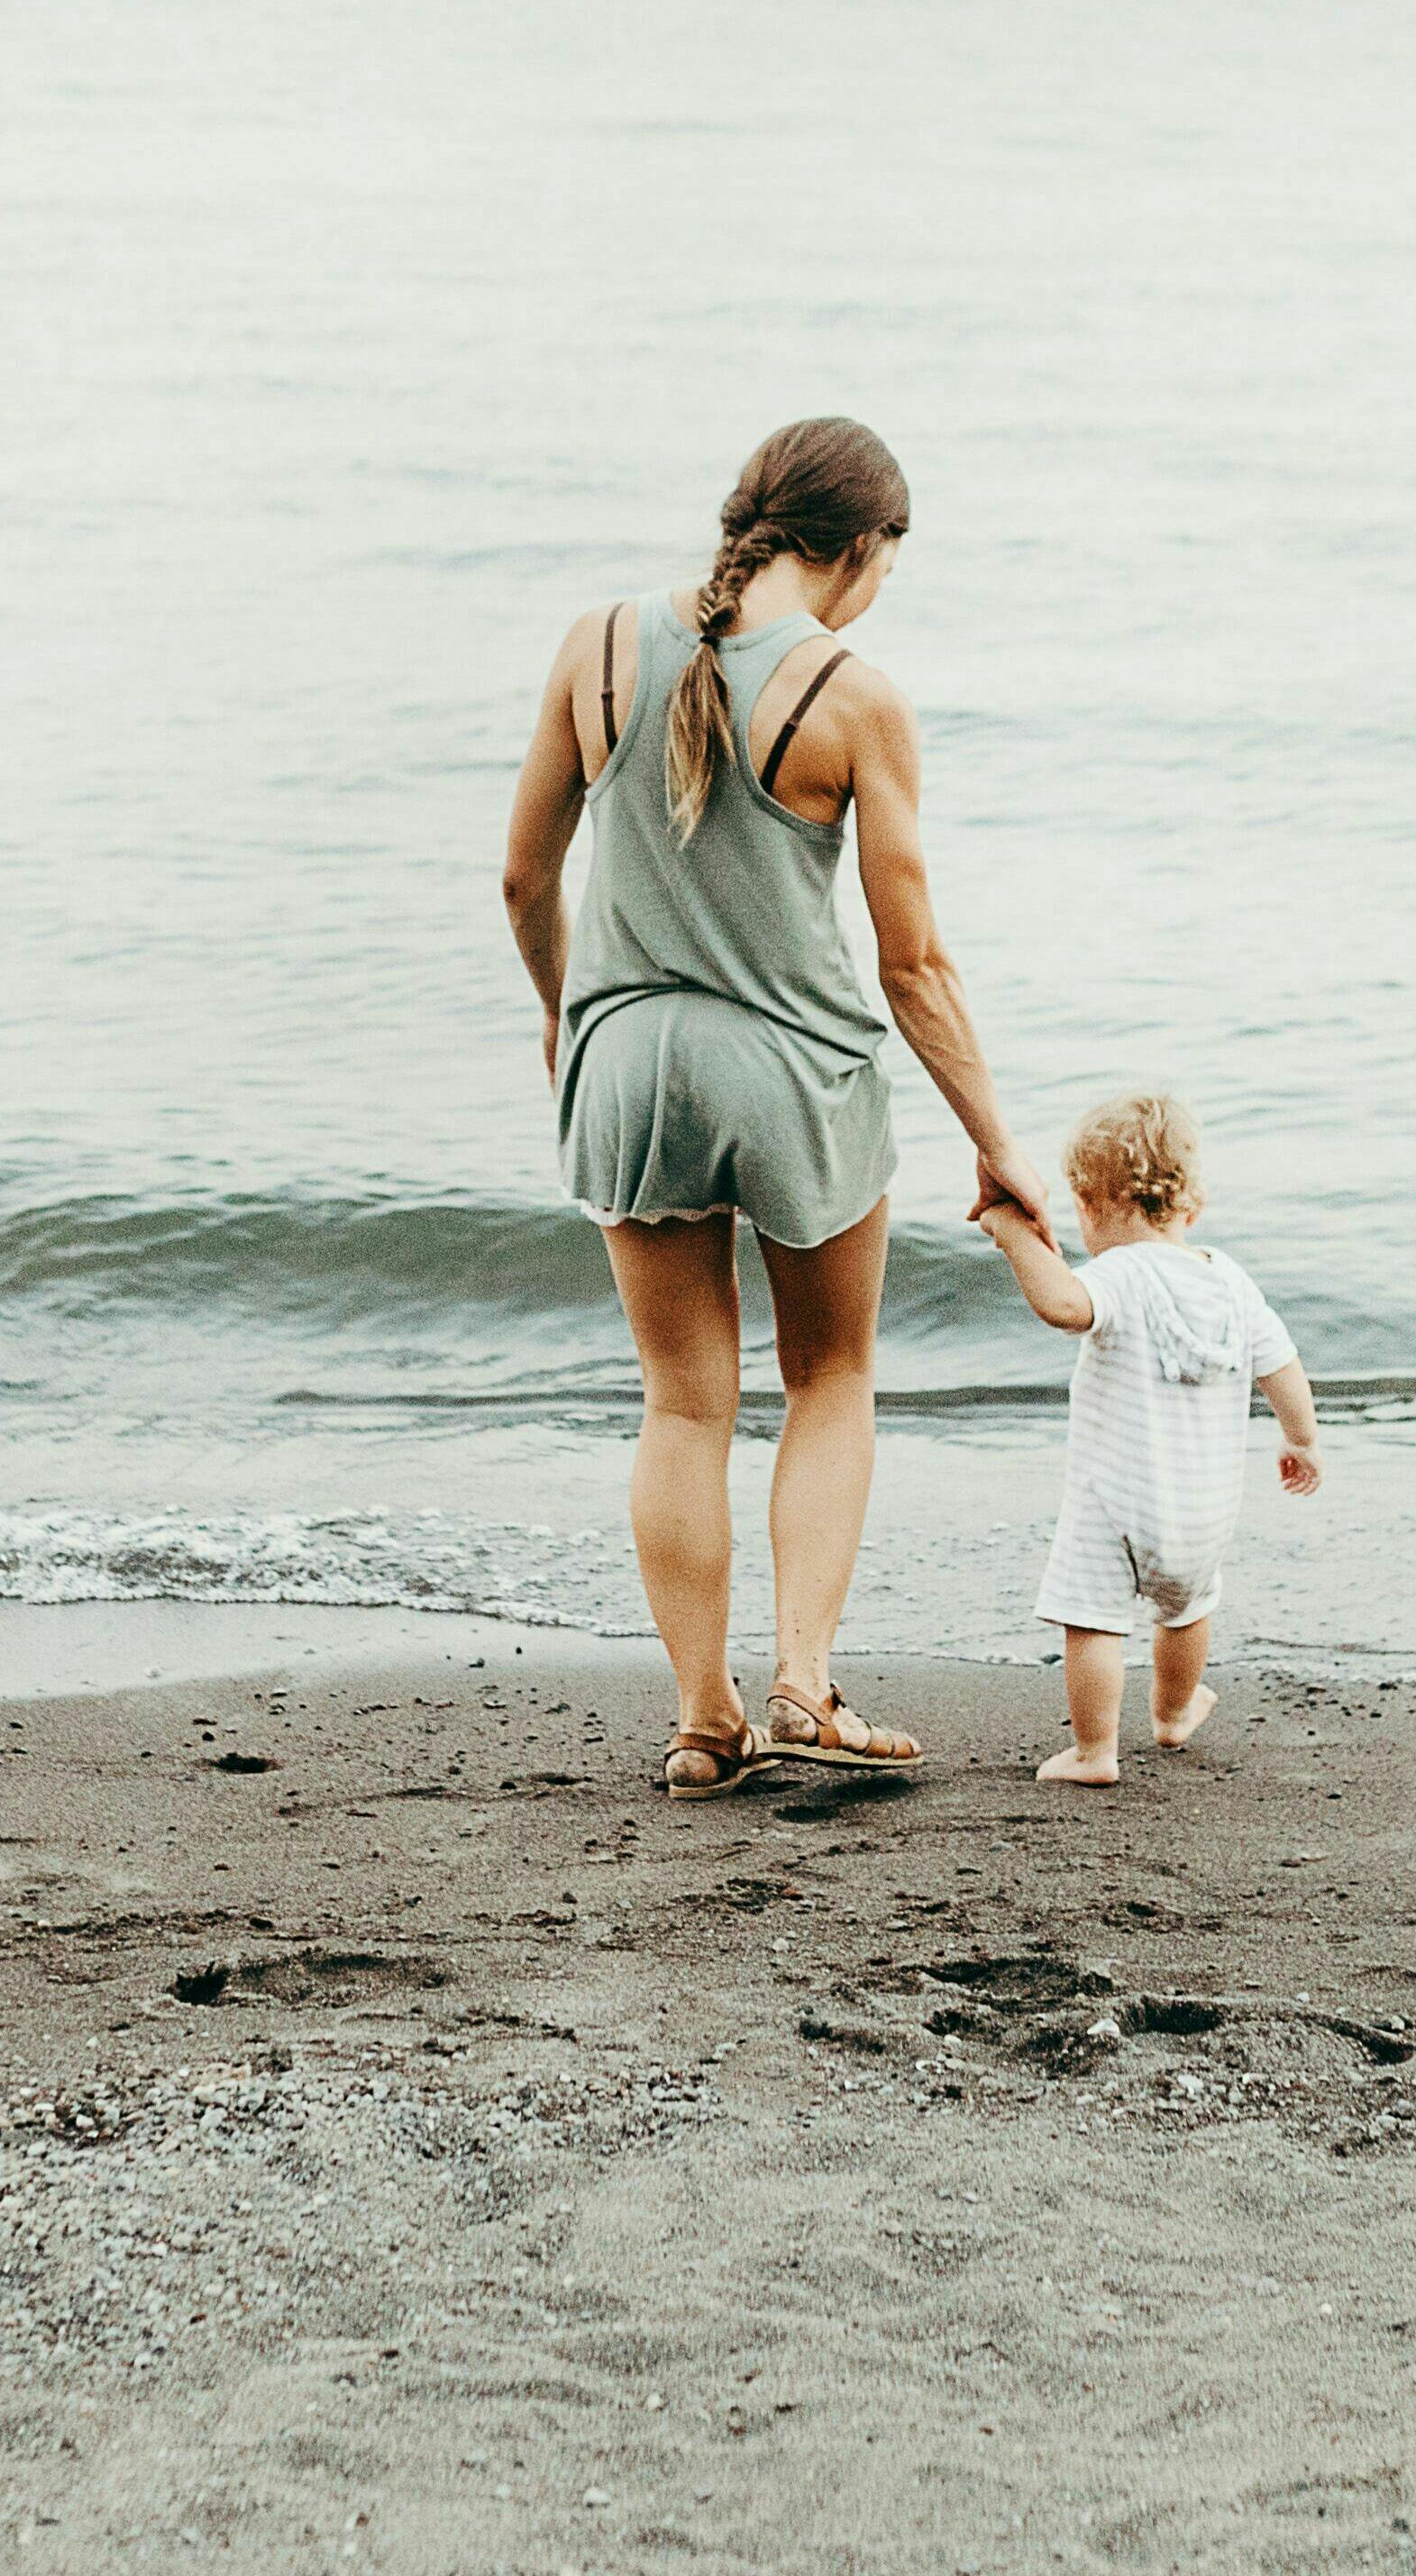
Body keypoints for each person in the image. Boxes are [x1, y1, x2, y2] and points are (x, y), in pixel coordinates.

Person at [501, 418, 1061, 1798]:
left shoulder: (597, 645)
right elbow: (911, 959)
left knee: (682, 1406)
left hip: (628, 1060)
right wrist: (998, 1144)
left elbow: (522, 882)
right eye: (884, 565)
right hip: (794, 1068)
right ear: (856, 548)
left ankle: (704, 1720)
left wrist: (574, 1027)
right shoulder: (853, 698)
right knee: (830, 1379)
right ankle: (802, 1679)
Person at [973, 1093, 1320, 1787]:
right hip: (1204, 1503)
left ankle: (1095, 1750)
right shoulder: (1230, 1280)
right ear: (1188, 1206)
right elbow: (1279, 1364)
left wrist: (1012, 1234)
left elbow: (1064, 1305)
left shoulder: (1120, 1274)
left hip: (1117, 1500)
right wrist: (1301, 1438)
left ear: (1091, 1203)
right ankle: (1173, 1710)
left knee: (1092, 1622)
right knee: (1186, 1607)